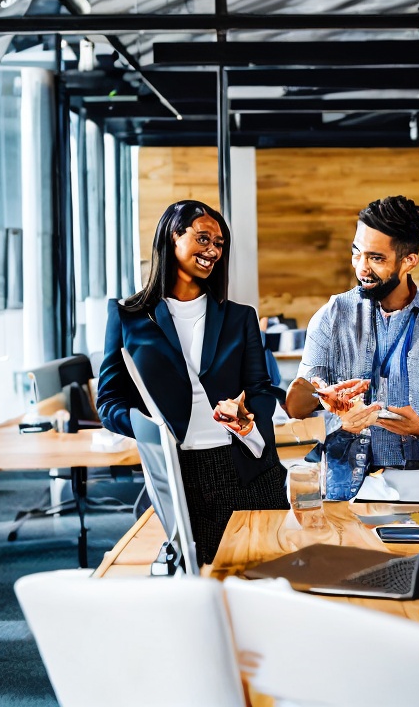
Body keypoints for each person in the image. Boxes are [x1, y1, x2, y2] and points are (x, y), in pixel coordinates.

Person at [96, 200, 288, 565]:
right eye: (203, 239)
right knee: (199, 581)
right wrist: (152, 429)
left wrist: (249, 421)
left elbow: (261, 390)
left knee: (264, 578)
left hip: (244, 466)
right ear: (173, 237)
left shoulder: (240, 317)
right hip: (180, 472)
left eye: (219, 244)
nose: (213, 250)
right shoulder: (127, 317)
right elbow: (108, 402)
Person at [284, 195, 419, 499]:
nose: (361, 267)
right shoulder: (332, 315)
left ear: (408, 261)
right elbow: (296, 402)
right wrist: (323, 396)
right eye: (356, 253)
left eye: (376, 258)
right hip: (343, 481)